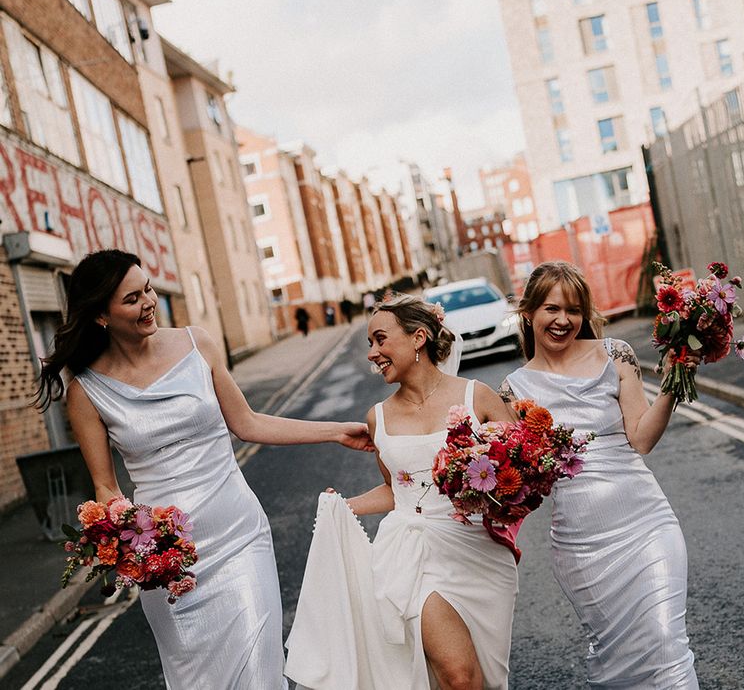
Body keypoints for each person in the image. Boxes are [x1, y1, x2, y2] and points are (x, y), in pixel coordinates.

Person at [35, 249, 372, 690]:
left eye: (149, 289)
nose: (149, 302)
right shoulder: (86, 391)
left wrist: (334, 431)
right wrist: (131, 547)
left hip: (239, 535)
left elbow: (248, 423)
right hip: (168, 560)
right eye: (132, 299)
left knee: (258, 674)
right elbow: (105, 486)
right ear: (101, 315)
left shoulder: (197, 344)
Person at [286, 294, 518, 690]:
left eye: (380, 339)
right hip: (414, 553)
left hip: (479, 552)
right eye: (370, 345)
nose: (373, 353)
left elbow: (522, 472)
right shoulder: (378, 418)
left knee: (483, 677)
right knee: (459, 676)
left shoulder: (476, 396)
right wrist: (344, 505)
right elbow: (400, 490)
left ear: (419, 338)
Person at [499, 261, 699, 689]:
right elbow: (519, 482)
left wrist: (673, 382)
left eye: (574, 310)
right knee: (616, 660)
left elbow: (641, 439)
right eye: (552, 308)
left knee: (667, 642)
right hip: (580, 545)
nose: (563, 320)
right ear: (528, 312)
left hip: (647, 523)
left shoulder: (616, 354)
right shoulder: (511, 391)